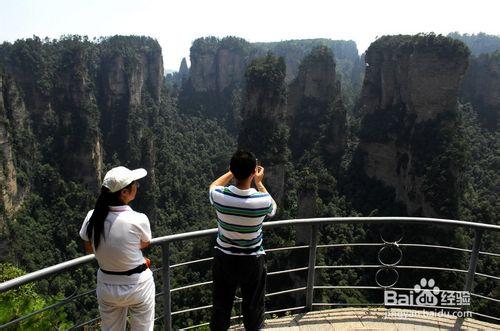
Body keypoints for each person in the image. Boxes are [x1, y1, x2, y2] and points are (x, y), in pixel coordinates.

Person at [79, 166, 155, 331]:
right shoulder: (139, 219)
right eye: (134, 184)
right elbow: (145, 243)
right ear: (124, 193)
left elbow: (89, 247)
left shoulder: (92, 216)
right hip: (138, 286)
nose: (137, 186)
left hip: (107, 286)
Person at [208, 150, 277, 331]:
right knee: (254, 309)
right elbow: (273, 209)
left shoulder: (220, 196)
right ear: (254, 171)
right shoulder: (262, 201)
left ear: (232, 169)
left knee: (221, 308)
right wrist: (259, 183)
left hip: (224, 259)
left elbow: (212, 186)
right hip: (252, 261)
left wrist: (231, 172)